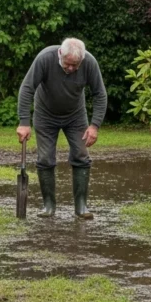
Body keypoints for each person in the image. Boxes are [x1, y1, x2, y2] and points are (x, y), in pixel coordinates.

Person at [16, 38, 107, 219]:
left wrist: (94, 126)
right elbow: (27, 89)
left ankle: (81, 206)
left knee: (81, 156)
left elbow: (100, 93)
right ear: (60, 55)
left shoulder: (89, 62)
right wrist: (24, 122)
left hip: (76, 116)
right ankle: (48, 205)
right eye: (68, 65)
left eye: (76, 65)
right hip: (45, 115)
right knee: (45, 158)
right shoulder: (45, 58)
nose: (72, 69)